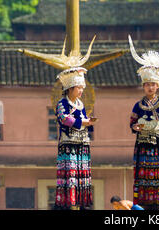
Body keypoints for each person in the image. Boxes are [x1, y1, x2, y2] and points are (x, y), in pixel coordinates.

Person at [128, 34, 159, 209]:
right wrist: (135, 126)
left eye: (153, 84)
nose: (150, 87)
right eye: (147, 84)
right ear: (143, 86)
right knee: (144, 175)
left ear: (158, 86)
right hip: (143, 145)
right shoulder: (137, 105)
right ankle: (145, 204)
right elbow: (132, 125)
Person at [54, 66, 96, 210]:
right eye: (78, 87)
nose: (81, 90)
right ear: (70, 88)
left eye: (82, 88)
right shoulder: (62, 103)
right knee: (70, 174)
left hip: (82, 143)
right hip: (68, 145)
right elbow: (64, 119)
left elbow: (83, 118)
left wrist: (88, 122)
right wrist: (83, 122)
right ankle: (68, 204)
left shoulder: (81, 104)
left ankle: (81, 203)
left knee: (81, 174)